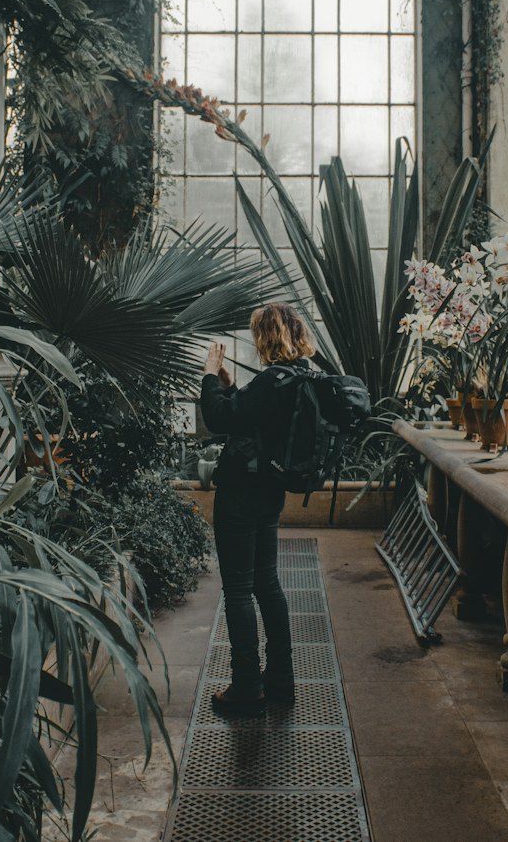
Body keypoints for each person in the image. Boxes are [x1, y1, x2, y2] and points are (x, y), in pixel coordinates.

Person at [200, 301, 315, 717]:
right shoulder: (301, 377)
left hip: (241, 494)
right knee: (268, 583)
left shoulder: (272, 380)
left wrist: (210, 374)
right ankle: (281, 678)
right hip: (270, 491)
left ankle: (247, 684)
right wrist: (230, 385)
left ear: (266, 336)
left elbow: (218, 418)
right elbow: (248, 420)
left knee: (238, 589)